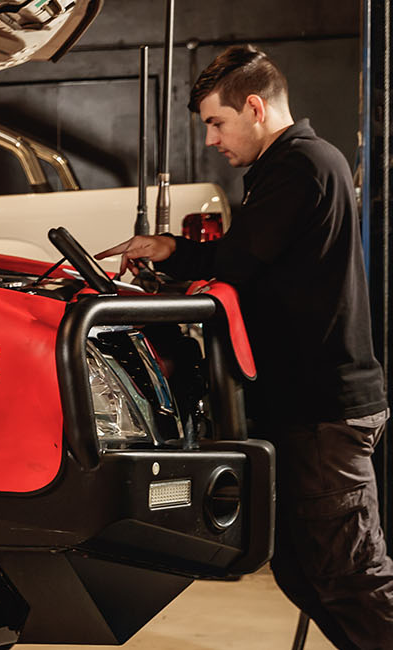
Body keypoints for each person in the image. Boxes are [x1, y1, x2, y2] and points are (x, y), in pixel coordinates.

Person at [97, 45, 392, 648]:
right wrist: (166, 251)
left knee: (350, 577)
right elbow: (241, 261)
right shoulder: (285, 169)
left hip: (324, 413)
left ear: (254, 107)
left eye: (216, 122)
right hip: (300, 407)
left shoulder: (302, 164)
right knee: (302, 573)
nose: (211, 140)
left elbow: (237, 263)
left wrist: (175, 256)